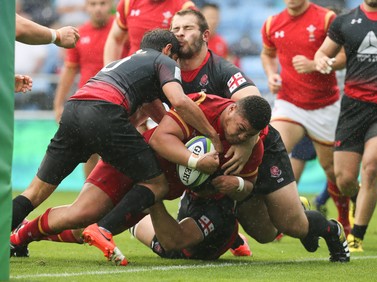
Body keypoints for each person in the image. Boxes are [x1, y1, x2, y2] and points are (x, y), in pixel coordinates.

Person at [83, 9, 350, 263]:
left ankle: (330, 230)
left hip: (258, 149)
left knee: (284, 227)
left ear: (205, 35)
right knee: (208, 239)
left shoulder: (222, 70)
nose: (180, 34)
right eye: (175, 29)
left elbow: (255, 105)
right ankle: (231, 233)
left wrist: (248, 142)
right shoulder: (163, 70)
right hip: (211, 155)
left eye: (187, 28)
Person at [11, 94, 270, 265]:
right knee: (81, 213)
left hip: (152, 191)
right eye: (241, 129)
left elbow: (247, 187)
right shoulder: (202, 105)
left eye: (251, 134)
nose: (241, 137)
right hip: (133, 161)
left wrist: (235, 185)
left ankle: (22, 235)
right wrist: (195, 161)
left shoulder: (251, 144)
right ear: (233, 109)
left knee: (81, 231)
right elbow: (159, 139)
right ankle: (19, 235)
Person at [10, 29, 222, 235]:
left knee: (34, 193)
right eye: (176, 59)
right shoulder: (163, 60)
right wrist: (212, 134)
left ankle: (11, 237)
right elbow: (180, 102)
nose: (176, 64)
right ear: (168, 49)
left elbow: (156, 111)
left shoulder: (128, 62)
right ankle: (102, 230)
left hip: (74, 109)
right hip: (104, 112)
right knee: (157, 183)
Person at [259, 0, 351, 236]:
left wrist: (315, 64)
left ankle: (343, 220)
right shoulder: (272, 24)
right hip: (289, 104)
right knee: (266, 151)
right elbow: (267, 54)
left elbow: (343, 56)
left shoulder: (326, 19)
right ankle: (282, 220)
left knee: (332, 170)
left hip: (325, 105)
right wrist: (271, 75)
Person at [314, 0, 377, 252]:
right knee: (345, 179)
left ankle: (357, 236)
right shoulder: (344, 21)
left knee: (371, 167)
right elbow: (322, 52)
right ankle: (359, 197)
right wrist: (320, 61)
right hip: (353, 108)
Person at [53, 0, 117, 177]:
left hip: (119, 100)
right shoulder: (79, 34)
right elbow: (70, 69)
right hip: (88, 103)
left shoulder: (120, 29)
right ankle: (89, 196)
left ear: (110, 5)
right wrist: (58, 104)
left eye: (103, 3)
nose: (98, 8)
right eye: (93, 4)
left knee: (118, 152)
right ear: (86, 7)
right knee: (90, 153)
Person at [103, 0, 196, 64]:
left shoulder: (185, 8)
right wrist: (108, 74)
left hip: (166, 77)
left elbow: (192, 49)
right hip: (133, 75)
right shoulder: (129, 2)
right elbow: (115, 39)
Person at [291, 136, 330, 217]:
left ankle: (321, 199)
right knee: (296, 163)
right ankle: (285, 207)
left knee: (337, 171)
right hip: (305, 126)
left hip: (329, 127)